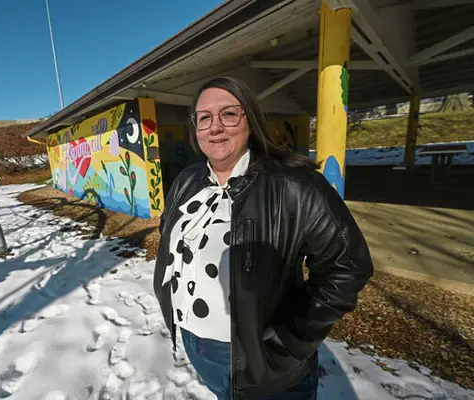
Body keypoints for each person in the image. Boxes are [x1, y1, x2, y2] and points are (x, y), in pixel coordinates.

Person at [153, 76, 373, 400]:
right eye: (204, 117)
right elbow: (170, 233)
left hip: (265, 362)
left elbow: (348, 265)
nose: (215, 127)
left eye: (229, 114)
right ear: (195, 128)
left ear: (251, 120)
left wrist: (289, 337)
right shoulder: (186, 180)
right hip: (197, 345)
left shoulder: (296, 186)